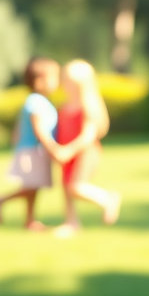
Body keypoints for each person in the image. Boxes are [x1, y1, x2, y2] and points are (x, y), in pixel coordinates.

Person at [52, 59, 121, 236]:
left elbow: (87, 136)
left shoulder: (88, 107)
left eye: (69, 82)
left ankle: (107, 199)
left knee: (76, 186)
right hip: (68, 153)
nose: (65, 85)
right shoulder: (65, 106)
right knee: (66, 188)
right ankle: (71, 222)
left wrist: (69, 150)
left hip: (85, 153)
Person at [0, 56, 60, 230]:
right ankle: (0, 201)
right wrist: (54, 148)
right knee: (31, 187)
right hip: (32, 151)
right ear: (38, 81)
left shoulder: (41, 102)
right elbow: (40, 130)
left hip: (35, 151)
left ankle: (30, 220)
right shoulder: (35, 102)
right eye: (53, 77)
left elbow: (17, 131)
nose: (57, 81)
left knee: (34, 188)